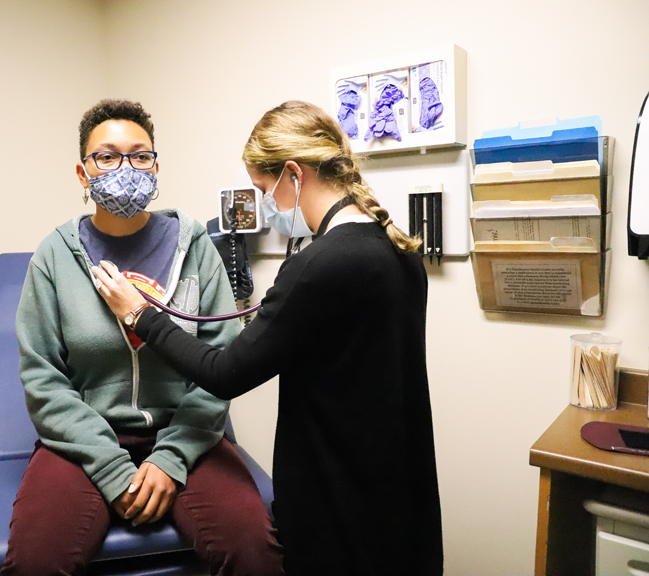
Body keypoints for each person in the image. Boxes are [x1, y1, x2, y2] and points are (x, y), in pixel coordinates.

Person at [92, 100, 444, 576]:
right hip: (399, 490)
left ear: (294, 175)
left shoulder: (319, 267)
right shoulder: (396, 247)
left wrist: (140, 315)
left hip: (337, 497)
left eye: (264, 189)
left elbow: (225, 372)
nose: (265, 205)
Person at [2, 99, 284, 576]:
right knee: (34, 562)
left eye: (140, 155)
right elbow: (43, 379)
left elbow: (219, 361)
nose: (125, 167)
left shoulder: (194, 248)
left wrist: (171, 458)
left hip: (189, 435)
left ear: (156, 166)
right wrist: (112, 469)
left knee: (255, 554)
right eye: (107, 156)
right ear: (82, 171)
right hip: (83, 442)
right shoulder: (54, 257)